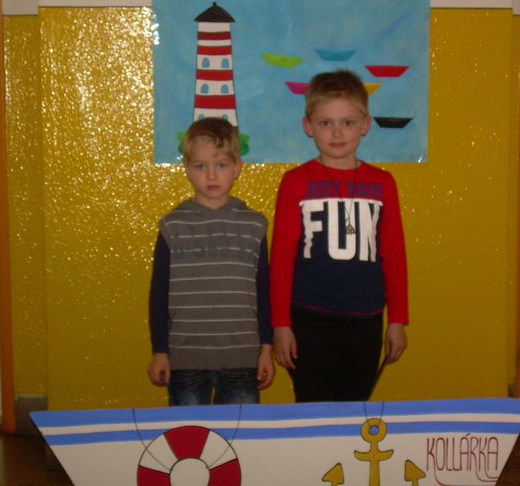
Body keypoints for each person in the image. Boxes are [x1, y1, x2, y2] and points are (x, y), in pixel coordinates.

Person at [270, 69, 408, 402]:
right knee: (314, 410)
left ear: (365, 124)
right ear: (308, 126)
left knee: (355, 411)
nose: (336, 133)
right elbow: (282, 259)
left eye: (347, 122)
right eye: (325, 123)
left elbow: (393, 255)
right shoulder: (295, 182)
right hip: (309, 318)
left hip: (366, 321)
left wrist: (397, 320)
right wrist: (280, 325)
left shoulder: (383, 184)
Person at [147, 117, 274, 406]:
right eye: (200, 166)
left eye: (222, 165)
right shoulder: (173, 225)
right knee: (191, 431)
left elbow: (263, 291)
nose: (212, 175)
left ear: (237, 167)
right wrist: (160, 350)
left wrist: (266, 348)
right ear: (187, 169)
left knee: (240, 432)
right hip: (186, 359)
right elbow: (159, 294)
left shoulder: (254, 225)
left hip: (243, 357)